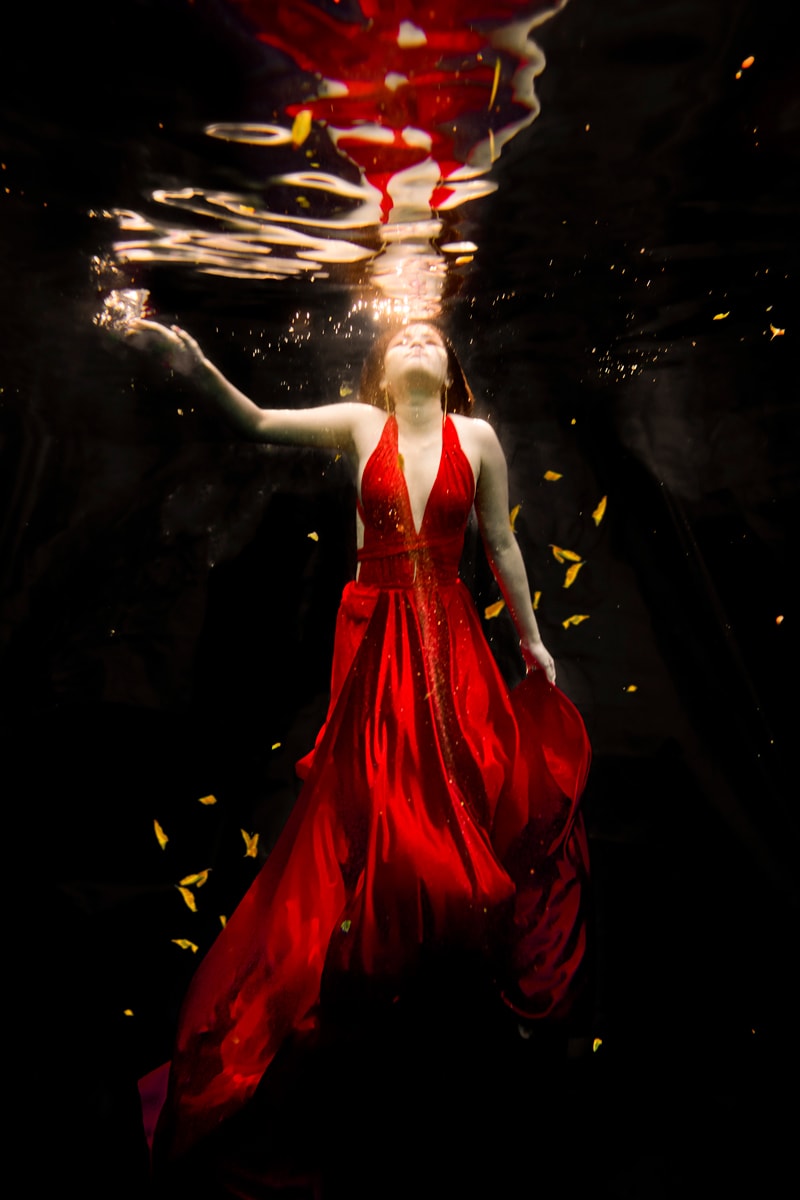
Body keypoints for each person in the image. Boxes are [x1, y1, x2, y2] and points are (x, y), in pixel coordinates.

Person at [127, 317, 591, 1185]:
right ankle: (380, 960)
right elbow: (256, 420)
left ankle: (462, 957)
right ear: (384, 367)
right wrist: (192, 365)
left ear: (449, 365)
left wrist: (530, 642)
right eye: (403, 332)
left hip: (450, 639)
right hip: (376, 642)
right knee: (378, 799)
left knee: (464, 788)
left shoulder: (477, 436)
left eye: (432, 331)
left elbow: (501, 543)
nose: (418, 337)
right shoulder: (358, 424)